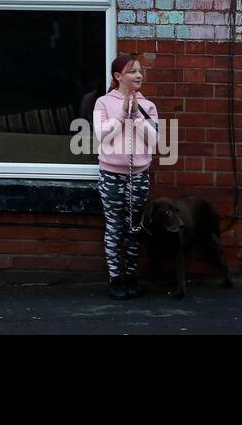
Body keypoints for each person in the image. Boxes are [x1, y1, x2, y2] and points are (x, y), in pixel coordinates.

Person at [94, 53, 160, 299]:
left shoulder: (148, 105)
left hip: (138, 175)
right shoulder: (103, 102)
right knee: (114, 227)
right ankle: (115, 278)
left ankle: (131, 275)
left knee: (134, 228)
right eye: (132, 71)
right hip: (111, 173)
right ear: (118, 76)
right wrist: (122, 115)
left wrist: (136, 116)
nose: (138, 75)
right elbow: (101, 136)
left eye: (140, 71)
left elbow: (155, 141)